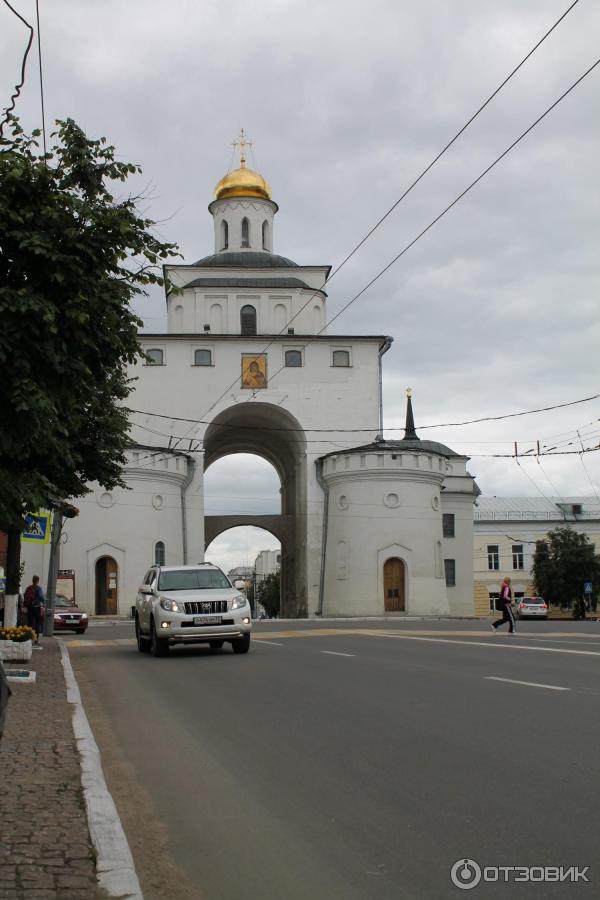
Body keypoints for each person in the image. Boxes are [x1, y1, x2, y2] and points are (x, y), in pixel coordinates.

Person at [23, 576, 45, 642]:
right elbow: (41, 597)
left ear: (32, 580)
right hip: (36, 608)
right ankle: (36, 639)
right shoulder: (38, 588)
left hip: (29, 608)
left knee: (30, 623)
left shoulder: (28, 588)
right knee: (37, 623)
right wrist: (43, 602)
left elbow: (25, 596)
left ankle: (29, 638)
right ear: (37, 581)